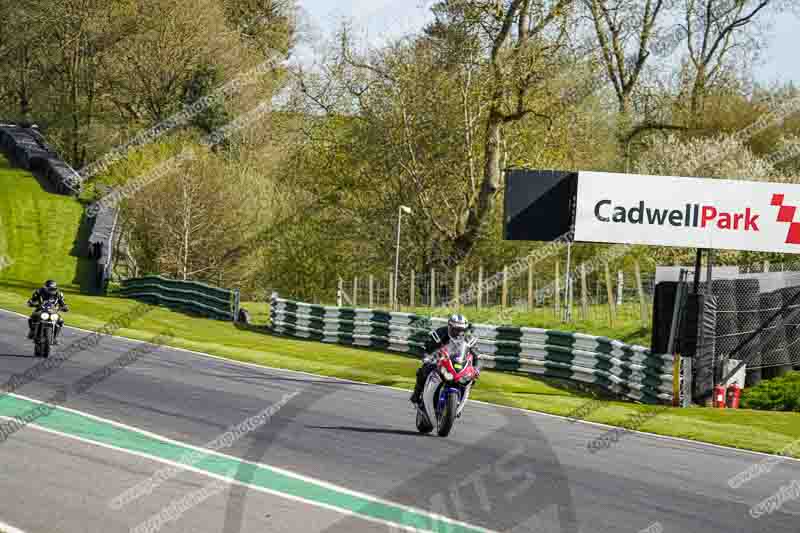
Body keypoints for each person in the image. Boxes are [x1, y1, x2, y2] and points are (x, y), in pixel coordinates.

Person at [410, 313, 480, 405]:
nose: (458, 333)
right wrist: (426, 357)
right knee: (425, 369)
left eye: (461, 330)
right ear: (449, 327)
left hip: (458, 363)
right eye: (455, 330)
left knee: (471, 377)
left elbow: (476, 356)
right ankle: (416, 394)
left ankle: (461, 400)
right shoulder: (440, 334)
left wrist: (476, 368)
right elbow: (427, 347)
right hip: (441, 362)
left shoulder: (469, 338)